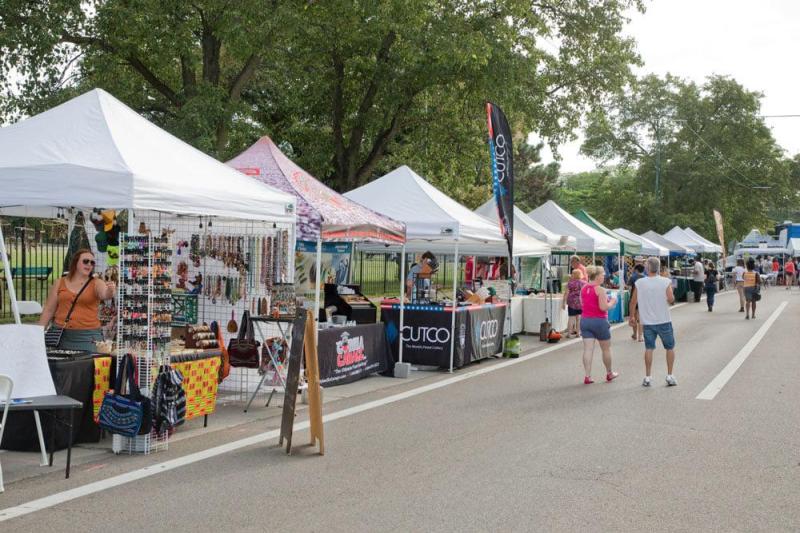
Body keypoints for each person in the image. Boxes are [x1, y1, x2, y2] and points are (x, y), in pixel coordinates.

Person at [39, 249, 116, 352]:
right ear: (75, 262)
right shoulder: (59, 282)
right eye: (85, 261)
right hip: (60, 335)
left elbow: (105, 294)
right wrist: (37, 334)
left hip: (88, 337)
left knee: (87, 366)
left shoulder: (96, 283)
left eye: (92, 262)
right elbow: (49, 310)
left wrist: (111, 291)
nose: (89, 264)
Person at [629, 257, 677, 387]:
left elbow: (633, 302)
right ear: (658, 268)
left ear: (647, 268)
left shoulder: (640, 283)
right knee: (669, 347)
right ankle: (670, 375)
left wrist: (632, 317)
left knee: (649, 348)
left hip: (647, 321)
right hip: (664, 320)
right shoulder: (666, 281)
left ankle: (648, 377)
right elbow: (671, 299)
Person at [579, 266, 619, 384]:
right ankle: (609, 373)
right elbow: (603, 307)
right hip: (599, 321)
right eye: (602, 275)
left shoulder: (584, 288)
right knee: (606, 349)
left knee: (588, 349)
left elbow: (582, 304)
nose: (604, 276)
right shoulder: (600, 290)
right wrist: (612, 301)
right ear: (596, 276)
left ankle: (587, 376)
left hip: (585, 320)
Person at [561, 269, 585, 338]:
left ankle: (569, 333)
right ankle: (578, 333)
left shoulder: (570, 283)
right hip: (580, 302)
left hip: (571, 302)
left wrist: (564, 302)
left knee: (571, 318)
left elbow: (566, 293)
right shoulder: (584, 283)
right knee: (579, 318)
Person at [627, 263, 646, 342]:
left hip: (634, 298)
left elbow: (628, 287)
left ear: (636, 270)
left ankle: (635, 334)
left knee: (633, 317)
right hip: (643, 299)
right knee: (641, 318)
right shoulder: (646, 278)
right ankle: (640, 336)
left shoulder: (633, 277)